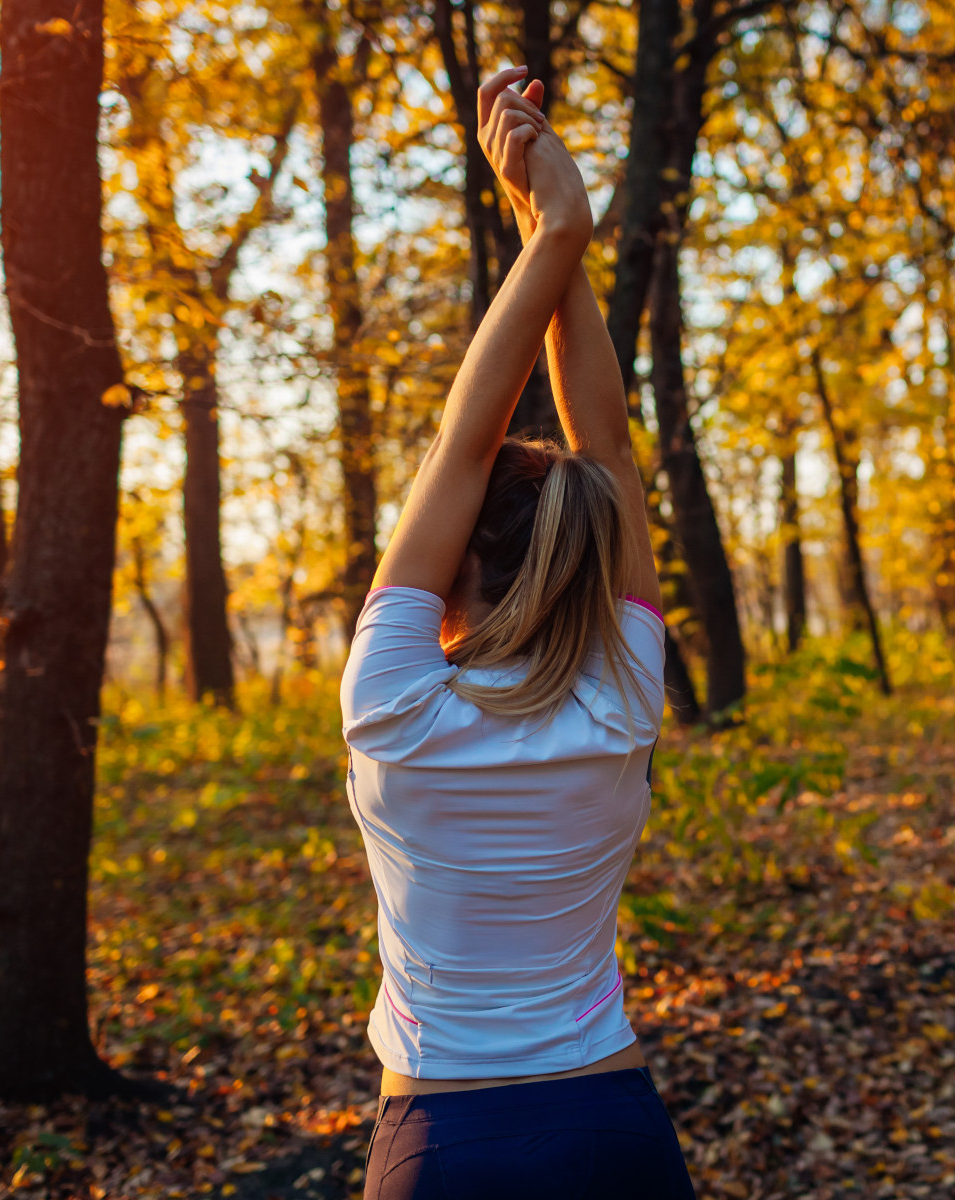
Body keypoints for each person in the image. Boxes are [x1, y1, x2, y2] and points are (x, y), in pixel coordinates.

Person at [340, 67, 695, 1200]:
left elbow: (463, 442)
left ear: (452, 574)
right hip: (614, 1131)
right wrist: (554, 227)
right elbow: (612, 449)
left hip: (447, 1147)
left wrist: (554, 234)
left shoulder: (394, 703)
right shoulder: (623, 698)